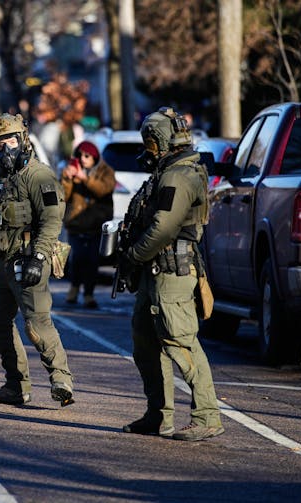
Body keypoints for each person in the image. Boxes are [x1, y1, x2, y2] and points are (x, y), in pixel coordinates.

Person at [121, 106, 224, 441]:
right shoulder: (168, 171)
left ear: (162, 139)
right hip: (155, 272)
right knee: (145, 343)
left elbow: (164, 228)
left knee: (180, 342)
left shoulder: (179, 175)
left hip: (172, 272)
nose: (147, 149)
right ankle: (158, 415)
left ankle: (207, 416)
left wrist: (134, 255)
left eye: (150, 142)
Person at [0, 113, 74, 407]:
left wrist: (39, 256)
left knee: (37, 323)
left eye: (10, 140)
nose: (5, 147)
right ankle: (16, 386)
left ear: (22, 140)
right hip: (5, 262)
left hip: (30, 257)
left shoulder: (38, 175)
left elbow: (52, 219)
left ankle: (62, 380)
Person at [60, 140, 115, 309]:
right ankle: (74, 289)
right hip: (76, 224)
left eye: (87, 156)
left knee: (92, 260)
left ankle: (89, 294)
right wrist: (67, 179)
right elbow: (63, 196)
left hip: (96, 224)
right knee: (77, 259)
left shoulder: (106, 171)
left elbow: (104, 189)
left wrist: (85, 179)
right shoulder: (72, 170)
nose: (83, 159)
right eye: (80, 155)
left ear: (94, 157)